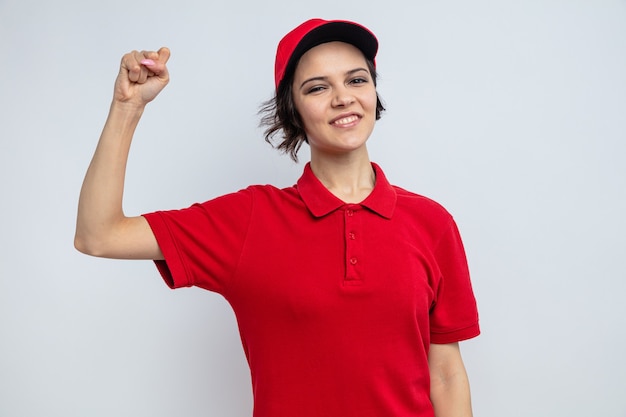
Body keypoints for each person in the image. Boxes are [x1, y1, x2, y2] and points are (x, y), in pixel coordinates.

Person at [75, 18, 480, 417]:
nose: (343, 97)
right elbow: (99, 234)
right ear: (292, 109)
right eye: (318, 87)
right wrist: (126, 109)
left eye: (357, 80)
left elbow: (445, 374)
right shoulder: (250, 220)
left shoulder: (431, 223)